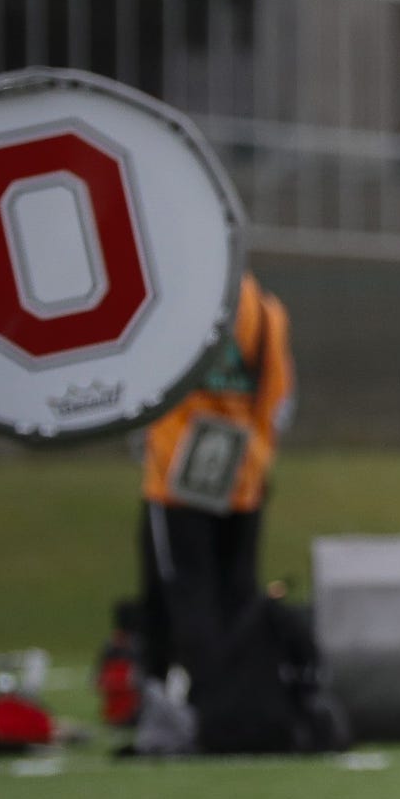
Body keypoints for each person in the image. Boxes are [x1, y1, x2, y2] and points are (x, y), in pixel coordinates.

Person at [132, 270, 297, 751]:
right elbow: (278, 397)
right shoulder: (267, 310)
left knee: (187, 591)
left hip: (177, 467)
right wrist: (260, 456)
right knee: (237, 592)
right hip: (245, 465)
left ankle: (207, 711)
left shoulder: (175, 303)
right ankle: (237, 700)